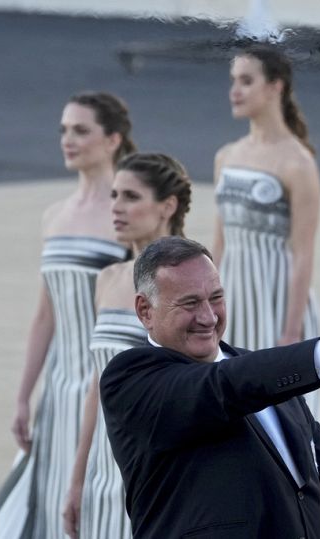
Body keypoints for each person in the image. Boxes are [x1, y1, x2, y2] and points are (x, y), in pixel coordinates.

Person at [100, 237, 320, 538]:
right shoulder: (129, 381)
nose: (208, 316)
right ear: (145, 310)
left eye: (216, 297)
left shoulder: (267, 375)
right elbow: (223, 386)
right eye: (190, 303)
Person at [0, 92, 135, 539]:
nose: (68, 140)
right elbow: (45, 315)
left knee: (91, 502)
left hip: (102, 387)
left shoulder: (125, 217)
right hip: (57, 392)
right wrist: (25, 395)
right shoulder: (54, 216)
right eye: (64, 130)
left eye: (81, 130)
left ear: (112, 139)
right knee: (47, 501)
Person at [61, 153, 192, 539]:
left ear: (167, 206)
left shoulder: (190, 277)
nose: (115, 207)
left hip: (155, 466)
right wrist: (78, 477)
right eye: (114, 195)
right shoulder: (107, 278)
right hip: (104, 466)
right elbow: (96, 385)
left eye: (131, 197)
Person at [212, 44, 320, 418]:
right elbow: (219, 240)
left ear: (276, 86)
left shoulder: (298, 162)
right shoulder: (226, 156)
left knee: (279, 411)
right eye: (233, 81)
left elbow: (303, 250)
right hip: (232, 293)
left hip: (276, 297)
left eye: (246, 81)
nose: (235, 91)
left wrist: (290, 332)